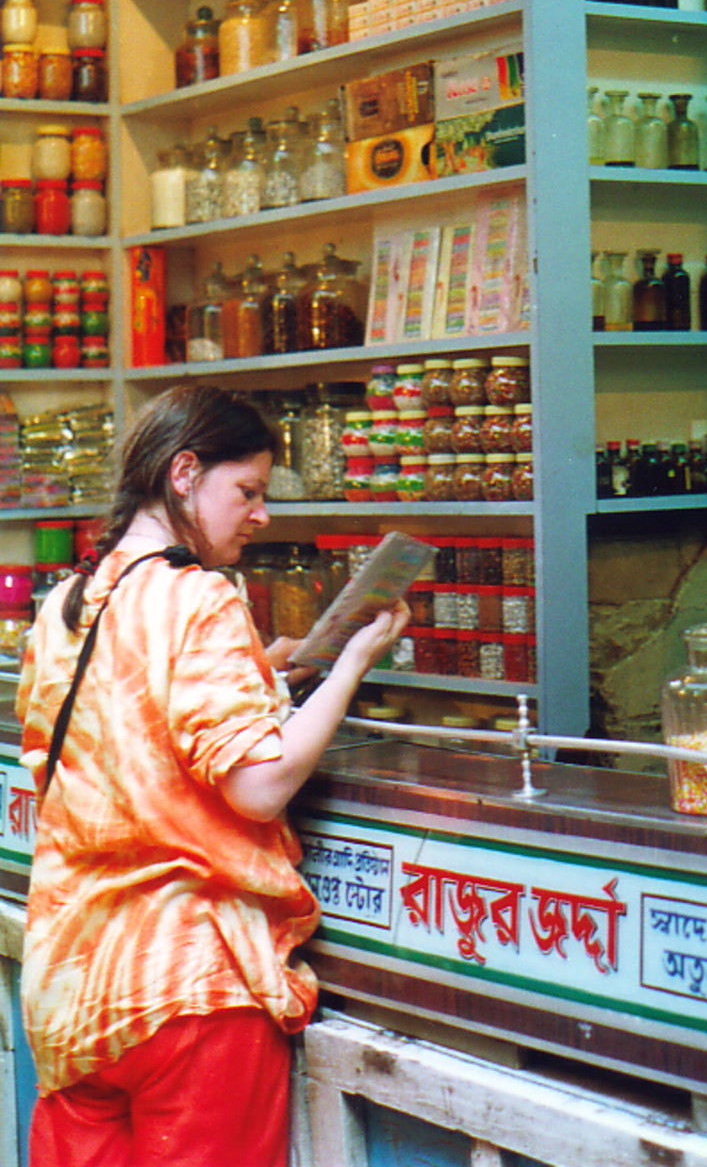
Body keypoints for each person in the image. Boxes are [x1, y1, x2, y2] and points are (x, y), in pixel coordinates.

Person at [17, 385, 408, 1167]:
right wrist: (352, 664)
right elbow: (258, 786)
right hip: (188, 987)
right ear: (185, 472)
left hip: (70, 989)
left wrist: (266, 675)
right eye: (249, 491)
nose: (261, 515)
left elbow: (128, 733)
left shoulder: (67, 601)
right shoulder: (198, 597)